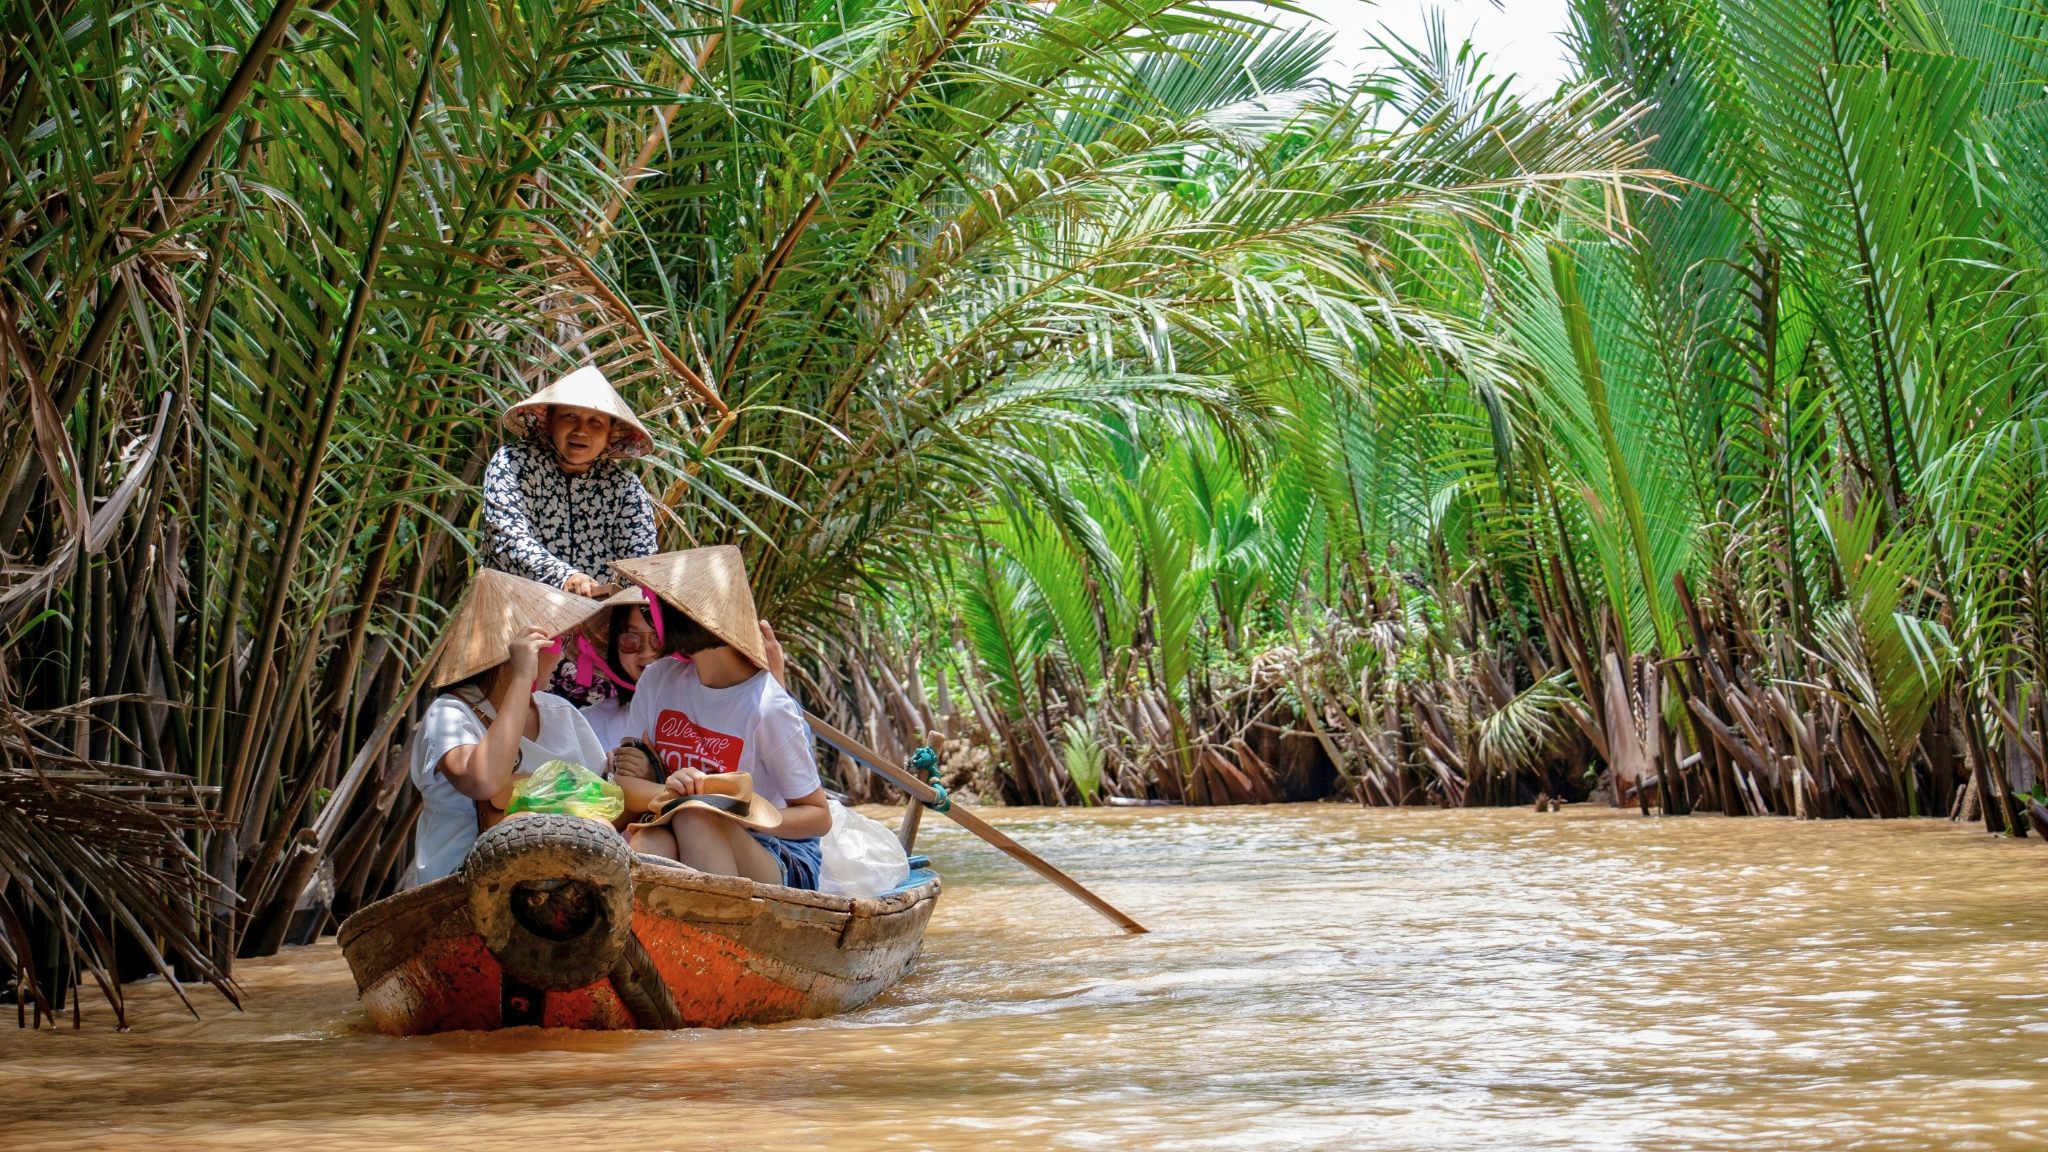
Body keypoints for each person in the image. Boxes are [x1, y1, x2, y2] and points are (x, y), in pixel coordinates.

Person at [609, 546, 829, 890]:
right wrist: (673, 790)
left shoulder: (767, 706)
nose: (650, 617)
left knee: (696, 815)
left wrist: (737, 811)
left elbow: (818, 816)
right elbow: (625, 782)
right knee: (654, 841)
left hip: (776, 852)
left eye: (654, 608)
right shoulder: (658, 681)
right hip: (677, 825)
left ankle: (724, 931)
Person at [406, 570, 609, 887]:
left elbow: (601, 800)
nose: (561, 657)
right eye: (558, 642)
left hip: (568, 881)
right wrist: (520, 678)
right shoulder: (449, 713)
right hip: (464, 885)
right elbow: (484, 781)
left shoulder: (560, 712)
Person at [481, 364, 658, 703]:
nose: (581, 431)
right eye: (570, 418)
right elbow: (507, 539)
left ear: (611, 435)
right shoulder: (512, 463)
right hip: (515, 643)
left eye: (596, 422)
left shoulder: (624, 487)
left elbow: (641, 565)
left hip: (595, 659)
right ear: (548, 421)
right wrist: (566, 577)